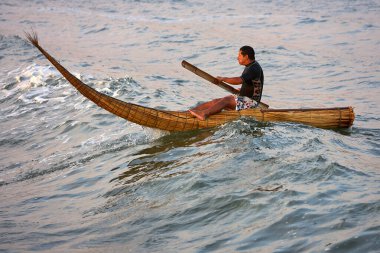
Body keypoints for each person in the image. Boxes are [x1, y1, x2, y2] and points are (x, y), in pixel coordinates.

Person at [189, 46, 264, 120]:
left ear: (246, 56)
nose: (237, 58)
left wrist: (223, 79)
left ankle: (204, 114)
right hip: (246, 100)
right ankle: (188, 113)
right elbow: (255, 83)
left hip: (250, 103)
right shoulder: (253, 65)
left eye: (239, 55)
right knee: (216, 101)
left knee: (227, 100)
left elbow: (239, 80)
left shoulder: (253, 68)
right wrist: (243, 89)